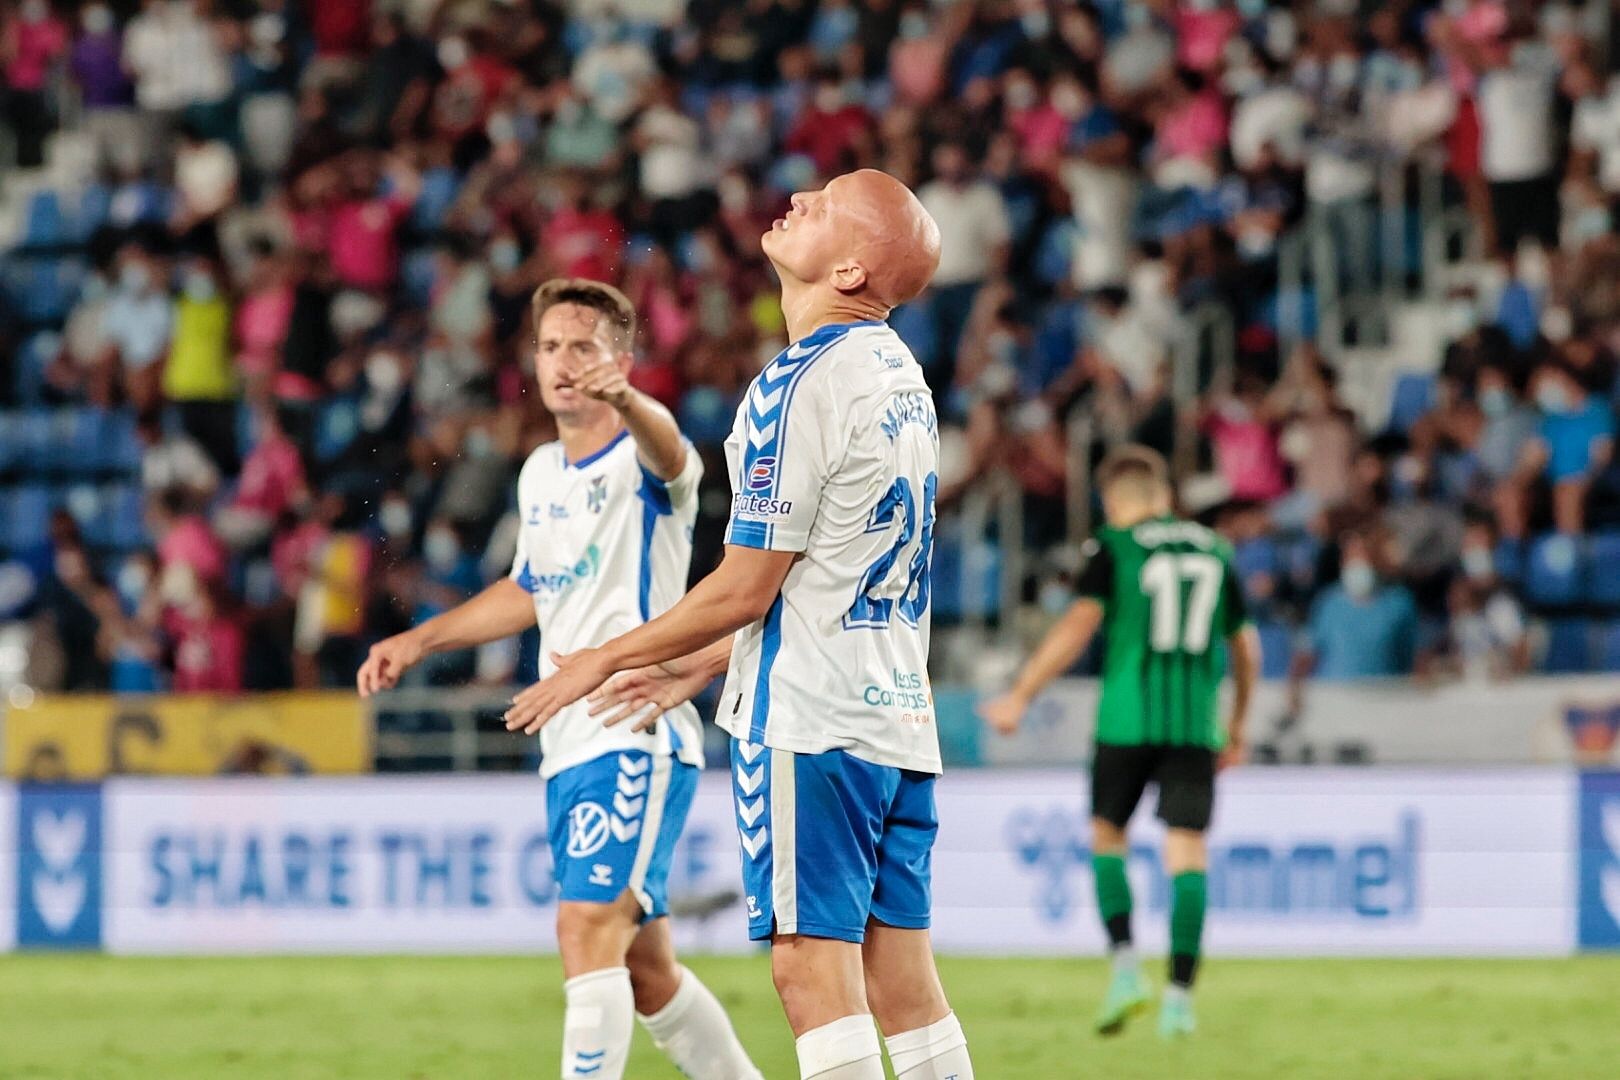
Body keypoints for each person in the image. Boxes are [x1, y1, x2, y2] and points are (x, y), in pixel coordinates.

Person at [504, 171, 975, 1080]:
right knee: (905, 983)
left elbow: (746, 587)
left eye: (829, 202)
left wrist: (599, 658)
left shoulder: (798, 384)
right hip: (895, 713)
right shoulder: (901, 376)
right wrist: (708, 663)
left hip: (812, 721)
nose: (799, 196)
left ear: (846, 269)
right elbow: (828, 573)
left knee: (810, 972)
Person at [356, 280, 760, 1080]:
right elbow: (531, 589)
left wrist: (632, 399)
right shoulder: (540, 470)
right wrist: (421, 638)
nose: (564, 363)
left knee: (584, 927)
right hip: (567, 741)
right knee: (645, 973)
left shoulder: (647, 461)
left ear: (620, 359)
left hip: (631, 723)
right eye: (550, 347)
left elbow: (675, 452)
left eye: (584, 346)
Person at [978, 445, 1260, 1040]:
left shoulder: (1112, 547)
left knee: (1108, 837)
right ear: (1164, 493)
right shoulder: (1215, 550)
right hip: (1193, 723)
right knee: (1187, 853)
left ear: (1115, 499)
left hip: (1126, 721)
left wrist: (1021, 695)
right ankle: (1180, 1000)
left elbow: (1078, 627)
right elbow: (1246, 648)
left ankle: (1127, 971)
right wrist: (1236, 725)